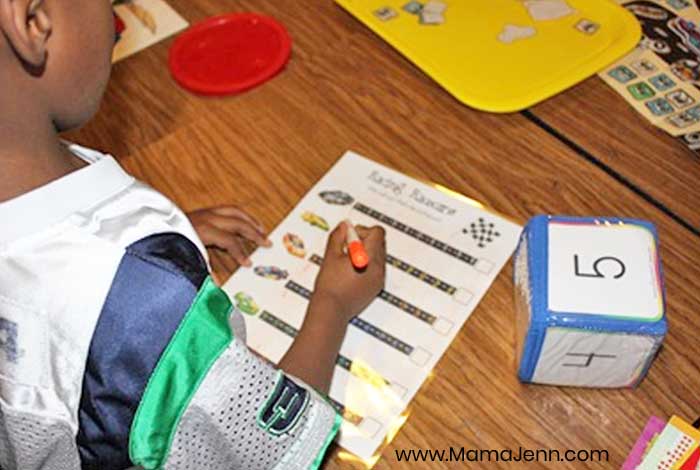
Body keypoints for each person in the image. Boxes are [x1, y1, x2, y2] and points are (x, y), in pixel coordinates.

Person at [0, 1, 386, 469]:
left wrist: (121, 240)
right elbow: (258, 454)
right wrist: (332, 305)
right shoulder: (144, 310)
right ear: (33, 20)